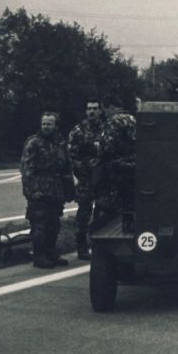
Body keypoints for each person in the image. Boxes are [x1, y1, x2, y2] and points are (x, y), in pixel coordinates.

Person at [21, 112, 74, 268]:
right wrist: (30, 192)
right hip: (39, 190)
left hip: (56, 190)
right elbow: (26, 170)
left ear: (56, 126)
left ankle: (51, 253)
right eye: (43, 123)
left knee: (54, 224)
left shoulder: (60, 143)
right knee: (39, 225)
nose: (45, 127)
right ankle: (39, 257)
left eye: (49, 124)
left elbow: (66, 168)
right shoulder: (34, 143)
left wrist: (69, 190)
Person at [67, 98, 105, 260]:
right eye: (89, 108)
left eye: (95, 108)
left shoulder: (107, 129)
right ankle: (82, 246)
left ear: (100, 111)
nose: (92, 111)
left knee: (104, 211)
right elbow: (72, 155)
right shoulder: (78, 131)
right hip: (86, 178)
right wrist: (83, 173)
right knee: (84, 212)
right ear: (85, 111)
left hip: (104, 178)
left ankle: (101, 244)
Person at [100, 96, 136, 232]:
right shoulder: (133, 119)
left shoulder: (113, 121)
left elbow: (107, 147)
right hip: (135, 163)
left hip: (120, 166)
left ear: (111, 107)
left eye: (105, 110)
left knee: (120, 199)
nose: (105, 113)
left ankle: (126, 226)